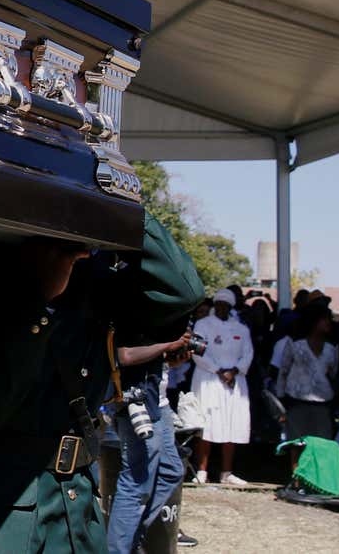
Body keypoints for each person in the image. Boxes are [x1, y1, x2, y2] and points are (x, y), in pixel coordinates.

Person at [0, 215, 203, 553]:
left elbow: (181, 295)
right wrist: (38, 298)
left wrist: (124, 208)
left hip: (75, 500)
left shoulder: (93, 272)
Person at [106, 217, 199, 554]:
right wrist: (165, 347)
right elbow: (123, 356)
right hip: (135, 403)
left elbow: (151, 359)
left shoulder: (148, 313)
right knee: (136, 482)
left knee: (172, 471)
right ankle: (120, 549)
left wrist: (171, 356)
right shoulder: (122, 303)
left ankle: (133, 540)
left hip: (155, 401)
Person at [191, 288, 252, 485]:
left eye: (227, 305)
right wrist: (218, 370)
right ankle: (202, 471)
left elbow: (248, 354)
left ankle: (227, 472)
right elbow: (196, 351)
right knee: (206, 424)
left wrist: (234, 371)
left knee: (232, 424)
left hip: (234, 381)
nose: (222, 308)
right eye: (219, 304)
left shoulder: (241, 328)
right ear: (215, 304)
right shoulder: (202, 324)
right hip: (208, 378)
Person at [277, 305, 339, 456]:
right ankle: (297, 478)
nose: (328, 323)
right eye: (325, 320)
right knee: (297, 444)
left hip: (322, 403)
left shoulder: (332, 348)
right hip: (297, 401)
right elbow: (283, 371)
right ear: (315, 322)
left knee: (321, 445)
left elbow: (333, 373)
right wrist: (280, 400)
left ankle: (316, 478)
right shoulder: (295, 345)